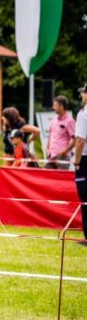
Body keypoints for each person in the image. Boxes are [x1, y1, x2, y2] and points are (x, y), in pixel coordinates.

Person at [45, 96, 75, 170]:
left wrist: (65, 152)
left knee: (60, 179)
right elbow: (50, 136)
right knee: (46, 178)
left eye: (55, 105)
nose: (53, 107)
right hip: (51, 155)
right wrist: (47, 148)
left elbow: (75, 139)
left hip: (63, 157)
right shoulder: (53, 119)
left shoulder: (70, 121)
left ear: (61, 106)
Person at [74, 83, 87, 245]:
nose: (82, 96)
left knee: (85, 199)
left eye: (83, 93)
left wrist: (76, 161)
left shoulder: (83, 114)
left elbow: (80, 141)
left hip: (85, 160)